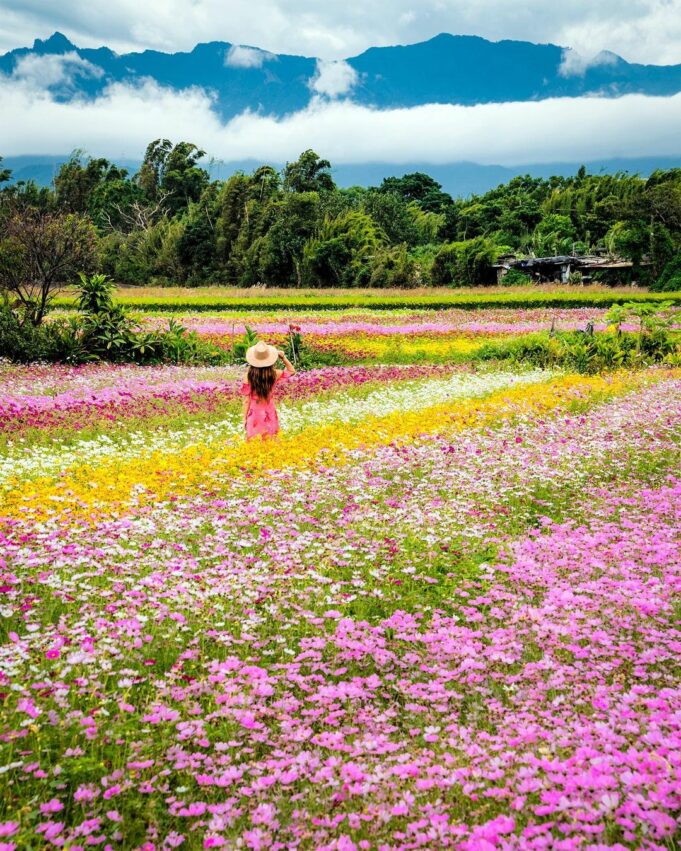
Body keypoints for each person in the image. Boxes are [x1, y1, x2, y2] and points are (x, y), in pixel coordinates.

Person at [240, 341, 296, 441]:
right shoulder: (274, 374)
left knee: (254, 442)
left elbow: (246, 400)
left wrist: (244, 418)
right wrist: (283, 357)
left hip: (254, 414)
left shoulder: (248, 376)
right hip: (269, 411)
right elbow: (292, 371)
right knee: (271, 440)